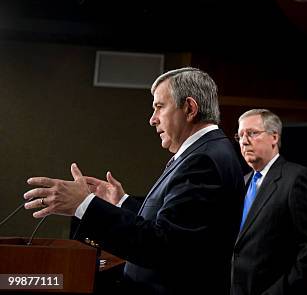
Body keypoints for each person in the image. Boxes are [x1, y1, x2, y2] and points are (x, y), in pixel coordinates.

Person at [24, 67, 245, 295]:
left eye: (159, 107)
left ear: (189, 108)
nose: (152, 120)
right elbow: (175, 227)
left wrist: (85, 204)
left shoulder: (203, 159)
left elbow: (163, 247)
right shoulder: (206, 151)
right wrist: (121, 202)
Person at [231, 109, 307, 295]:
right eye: (240, 135)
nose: (243, 141)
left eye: (252, 133)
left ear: (274, 137)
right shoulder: (241, 182)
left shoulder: (296, 178)